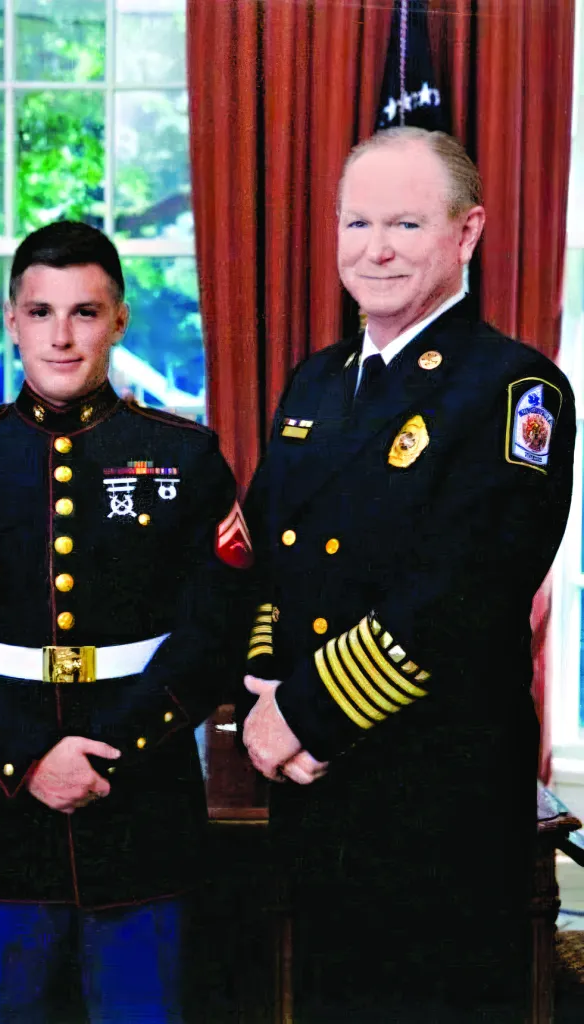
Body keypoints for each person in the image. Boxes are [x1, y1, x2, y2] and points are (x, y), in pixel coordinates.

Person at [239, 126, 575, 1022]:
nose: (374, 249)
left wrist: (305, 712)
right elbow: (270, 553)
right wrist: (267, 686)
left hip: (441, 798)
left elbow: (469, 594)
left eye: (405, 224)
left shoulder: (515, 390)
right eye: (357, 223)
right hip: (315, 790)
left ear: (466, 234)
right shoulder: (314, 384)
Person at [0, 220, 249, 1022]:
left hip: (144, 811)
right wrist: (27, 758)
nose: (61, 337)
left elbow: (216, 633)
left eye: (85, 313)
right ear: (11, 320)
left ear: (120, 321)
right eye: (41, 312)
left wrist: (108, 754)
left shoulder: (186, 457)